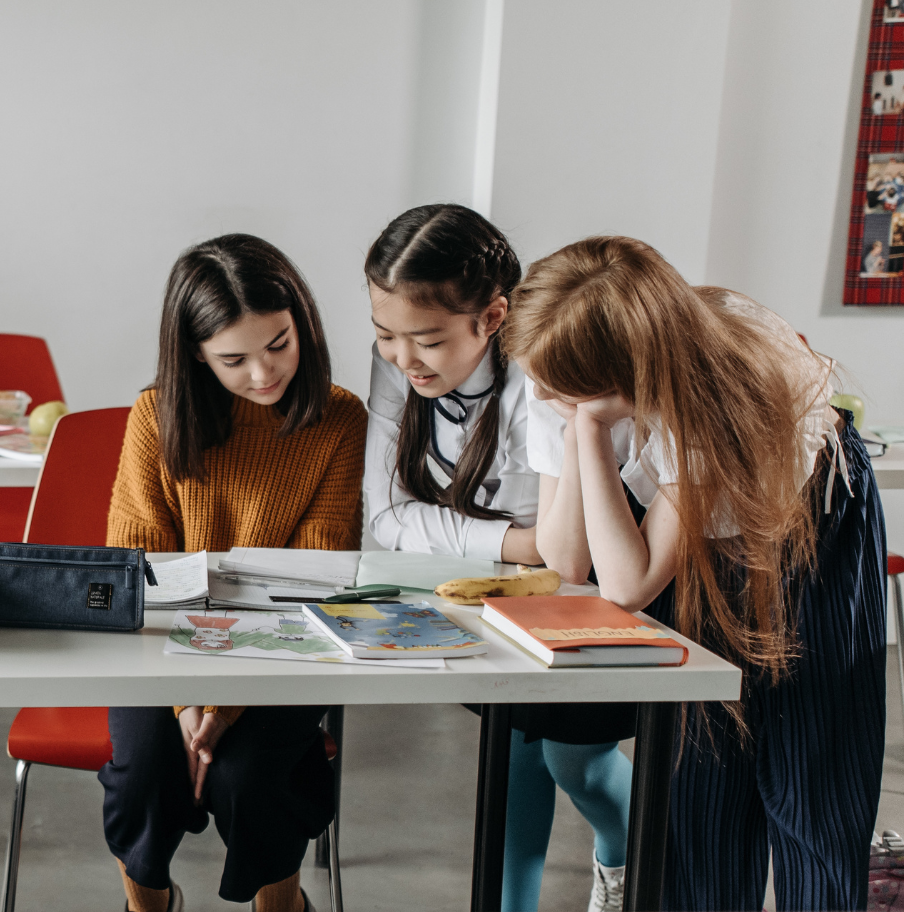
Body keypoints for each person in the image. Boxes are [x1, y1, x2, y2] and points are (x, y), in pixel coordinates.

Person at [507, 236, 883, 912]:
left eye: (560, 389)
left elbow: (629, 586)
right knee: (699, 781)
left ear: (623, 379)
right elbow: (567, 562)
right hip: (694, 540)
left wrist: (588, 431)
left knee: (810, 783)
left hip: (811, 531)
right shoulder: (565, 369)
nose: (540, 394)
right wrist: (582, 424)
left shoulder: (715, 394)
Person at [362, 205, 632, 912]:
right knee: (514, 758)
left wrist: (526, 545)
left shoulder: (544, 372)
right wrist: (518, 543)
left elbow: (570, 554)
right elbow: (387, 519)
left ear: (492, 318)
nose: (401, 359)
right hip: (496, 593)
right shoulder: (401, 366)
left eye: (426, 340)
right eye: (384, 335)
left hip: (597, 585)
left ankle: (624, 857)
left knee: (576, 763)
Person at [103, 234, 366, 912]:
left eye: (279, 344)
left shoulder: (338, 419)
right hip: (159, 649)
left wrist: (223, 708)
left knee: (250, 779)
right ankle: (146, 903)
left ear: (301, 323)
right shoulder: (154, 418)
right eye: (234, 359)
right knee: (145, 779)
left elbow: (313, 578)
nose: (263, 372)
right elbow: (140, 573)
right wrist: (188, 703)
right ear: (195, 352)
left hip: (286, 645)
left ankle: (284, 905)